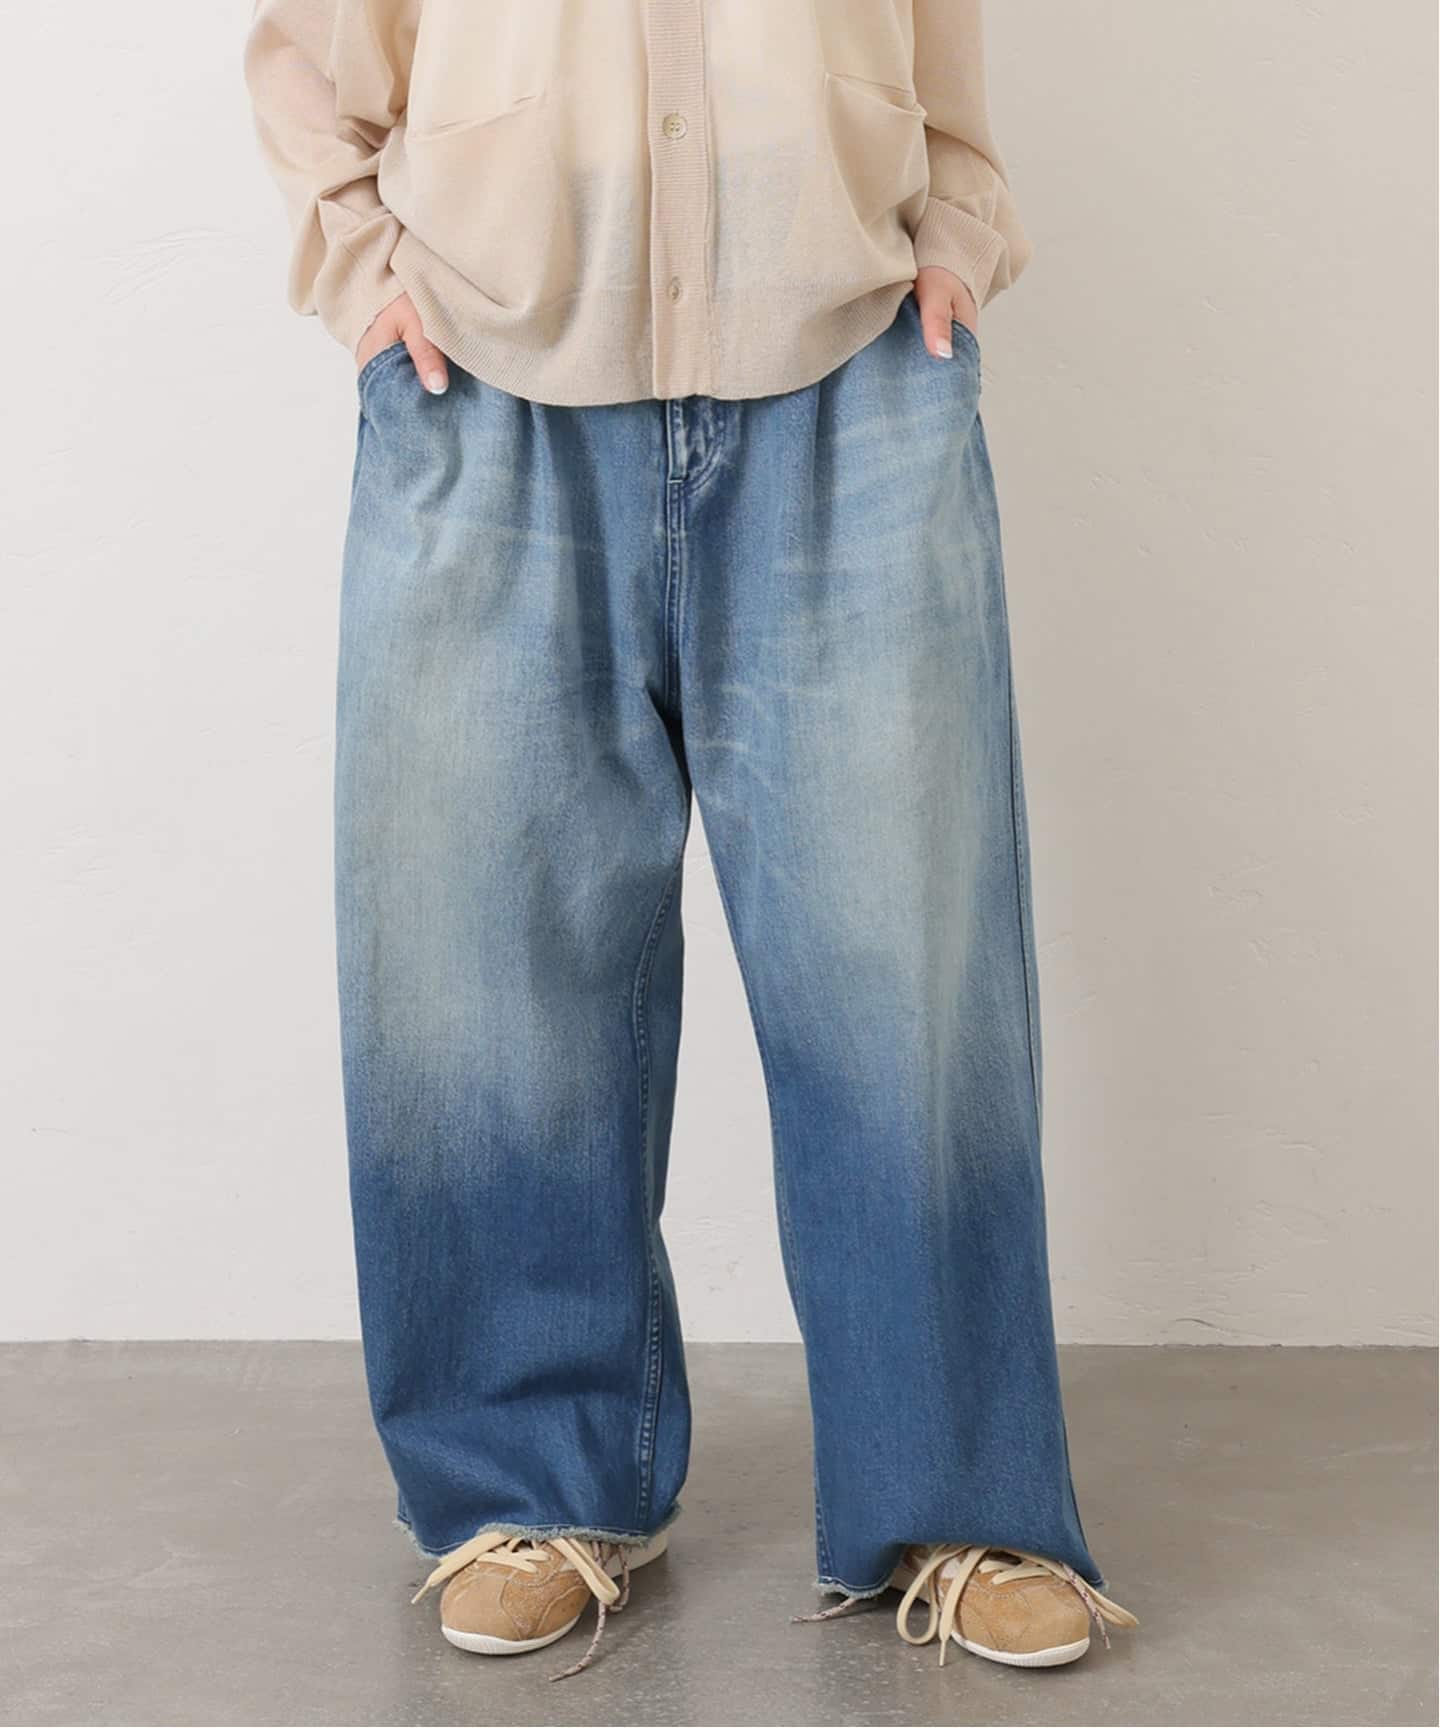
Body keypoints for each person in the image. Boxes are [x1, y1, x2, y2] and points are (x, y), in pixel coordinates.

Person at [244, 0, 1136, 1683]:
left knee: (902, 977)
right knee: (486, 972)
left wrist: (957, 231)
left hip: (849, 361)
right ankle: (529, 1485)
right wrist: (362, 278)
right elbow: (313, 56)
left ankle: (961, 1502)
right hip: (485, 376)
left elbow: (940, 46)